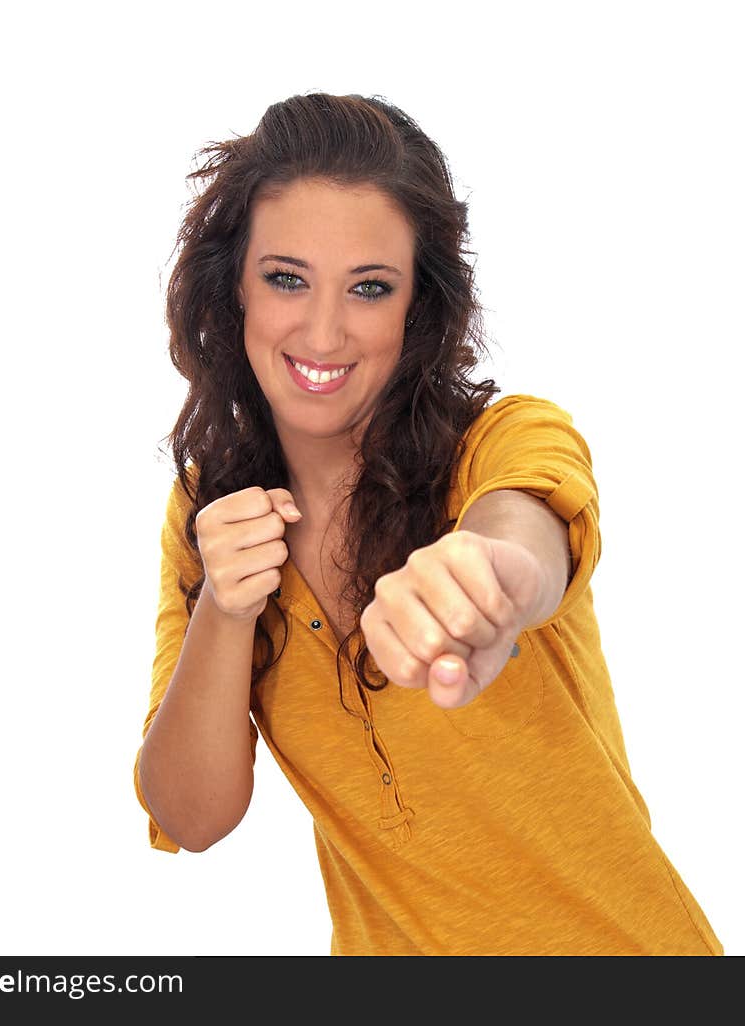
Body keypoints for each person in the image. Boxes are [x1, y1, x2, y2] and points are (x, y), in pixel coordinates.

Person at [133, 91, 723, 956]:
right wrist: (225, 608)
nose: (324, 331)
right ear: (234, 290)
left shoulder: (504, 436)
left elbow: (525, 527)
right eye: (286, 277)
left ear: (419, 308)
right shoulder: (207, 505)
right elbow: (189, 816)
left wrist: (494, 580)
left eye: (369, 288)